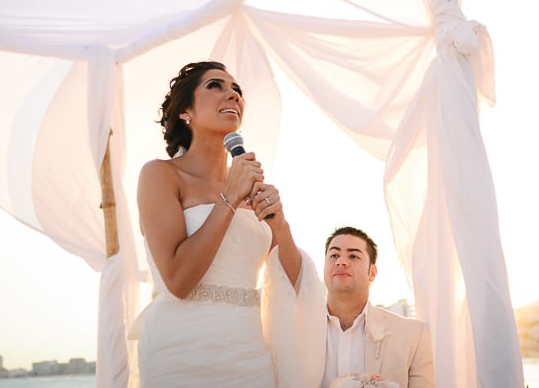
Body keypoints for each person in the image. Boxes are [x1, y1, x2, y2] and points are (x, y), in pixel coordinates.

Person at [134, 61, 304, 387]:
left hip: (250, 353)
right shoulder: (160, 175)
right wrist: (228, 197)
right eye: (216, 86)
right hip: (180, 352)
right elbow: (178, 281)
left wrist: (279, 224)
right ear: (186, 111)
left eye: (237, 90)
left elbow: (294, 283)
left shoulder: (249, 190)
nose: (233, 95)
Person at [321, 227, 434, 388]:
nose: (341, 261)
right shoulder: (296, 330)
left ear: (372, 273)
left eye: (353, 255)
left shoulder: (415, 336)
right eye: (334, 255)